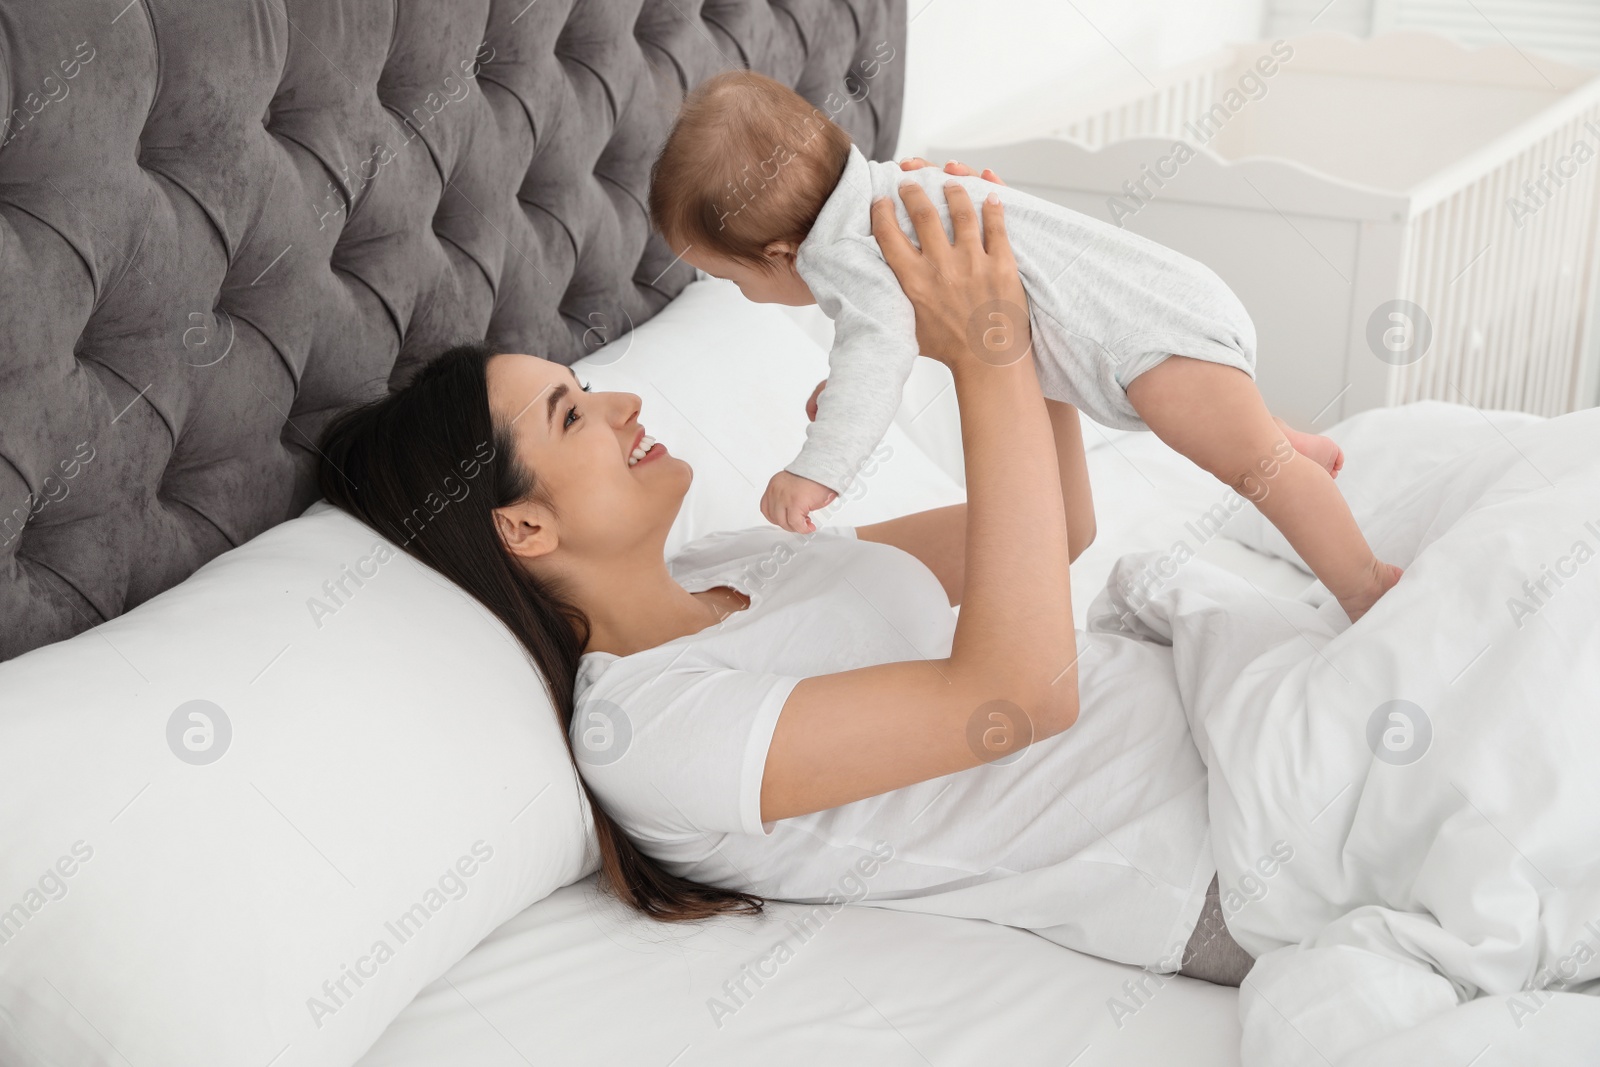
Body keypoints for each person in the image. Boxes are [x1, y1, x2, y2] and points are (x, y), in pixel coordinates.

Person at [317, 171, 1253, 985]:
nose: (623, 402)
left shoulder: (723, 561)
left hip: (1218, 705)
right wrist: (985, 351)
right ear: (522, 525)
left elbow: (1055, 531)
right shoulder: (646, 730)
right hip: (1219, 842)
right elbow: (1016, 700)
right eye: (571, 415)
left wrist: (1013, 300)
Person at [647, 70, 1401, 621]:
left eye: (730, 276)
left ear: (782, 252)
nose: (739, 294)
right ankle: (1294, 443)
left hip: (1148, 340)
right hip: (1172, 306)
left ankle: (1365, 583)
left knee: (1252, 470)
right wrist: (843, 398)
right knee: (1240, 439)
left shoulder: (853, 247)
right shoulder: (895, 189)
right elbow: (880, 349)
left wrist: (818, 470)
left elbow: (878, 350)